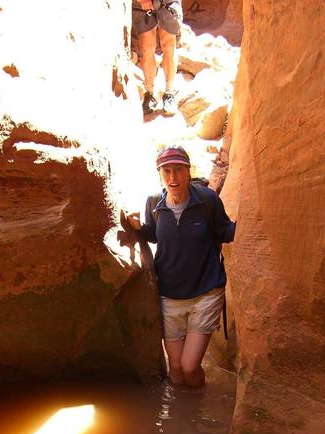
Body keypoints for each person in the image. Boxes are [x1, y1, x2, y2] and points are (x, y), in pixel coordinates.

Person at [125, 146, 235, 387]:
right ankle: (183, 415)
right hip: (170, 294)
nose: (173, 178)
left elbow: (224, 231)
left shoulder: (207, 200)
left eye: (178, 170)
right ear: (160, 174)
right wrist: (138, 228)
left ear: (188, 172)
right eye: (167, 171)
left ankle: (197, 405)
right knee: (175, 368)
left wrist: (248, 223)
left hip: (205, 292)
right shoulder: (154, 203)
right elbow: (155, 236)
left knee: (189, 366)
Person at [132, 0, 183, 116]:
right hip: (143, 4)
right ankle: (149, 94)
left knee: (169, 44)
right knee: (146, 47)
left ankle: (169, 93)